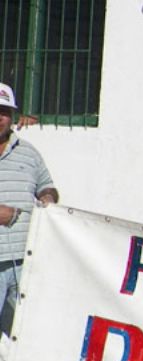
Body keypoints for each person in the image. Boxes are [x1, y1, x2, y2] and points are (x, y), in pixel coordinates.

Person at [0, 82, 59, 334]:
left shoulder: (29, 153)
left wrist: (48, 197)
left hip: (25, 262)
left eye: (4, 111)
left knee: (24, 336)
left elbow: (48, 186)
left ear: (12, 116)